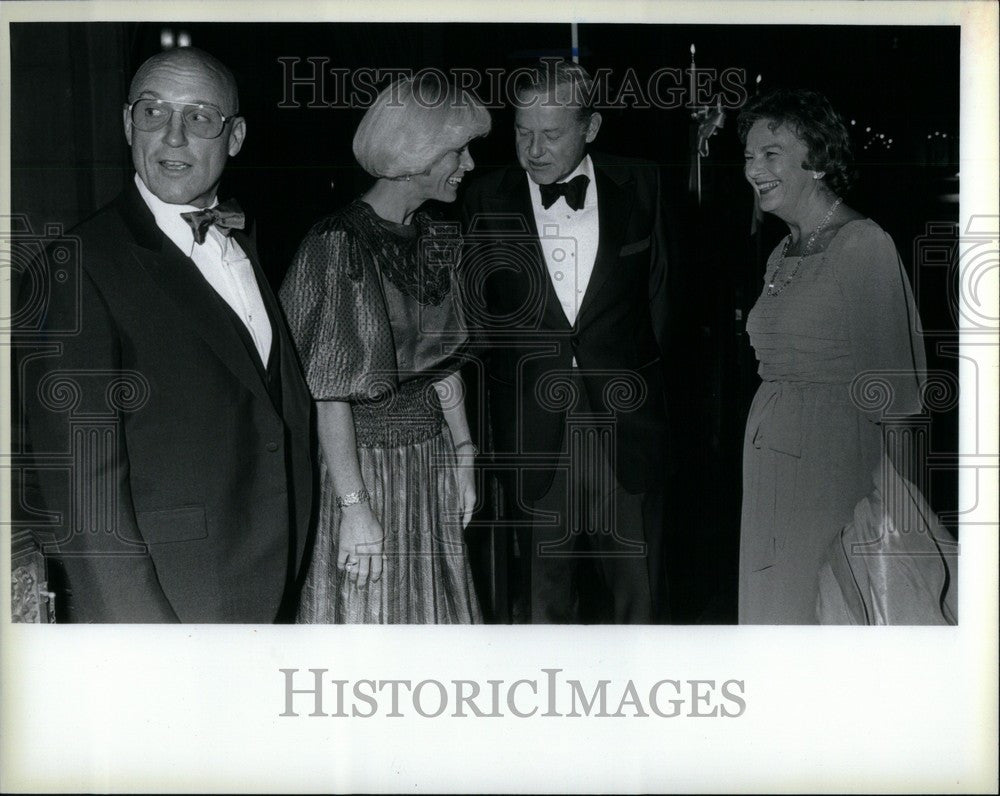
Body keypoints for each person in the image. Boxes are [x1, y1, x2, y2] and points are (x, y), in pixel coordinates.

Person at [20, 47, 314, 622]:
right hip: (172, 601)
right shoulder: (77, 265)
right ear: (128, 124)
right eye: (153, 112)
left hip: (271, 580)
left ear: (235, 136)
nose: (174, 136)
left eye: (200, 116)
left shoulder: (243, 244)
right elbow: (86, 497)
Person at [461, 60, 670, 623]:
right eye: (522, 131)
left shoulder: (644, 183)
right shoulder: (483, 197)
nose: (532, 149)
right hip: (533, 430)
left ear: (592, 127)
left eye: (551, 134)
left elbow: (663, 305)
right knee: (541, 599)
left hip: (627, 427)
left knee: (640, 594)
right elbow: (477, 327)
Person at [279, 74, 491, 623]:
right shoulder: (337, 246)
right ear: (415, 154)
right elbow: (329, 397)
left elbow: (442, 366)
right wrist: (355, 510)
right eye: (457, 150)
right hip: (364, 472)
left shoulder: (437, 237)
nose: (468, 163)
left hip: (430, 462)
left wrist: (464, 455)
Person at [738, 88, 927, 624]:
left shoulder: (862, 245)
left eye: (771, 154)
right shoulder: (783, 250)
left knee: (824, 620)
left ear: (817, 161)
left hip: (833, 477)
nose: (754, 168)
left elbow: (899, 406)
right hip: (772, 474)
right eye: (749, 155)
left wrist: (898, 520)